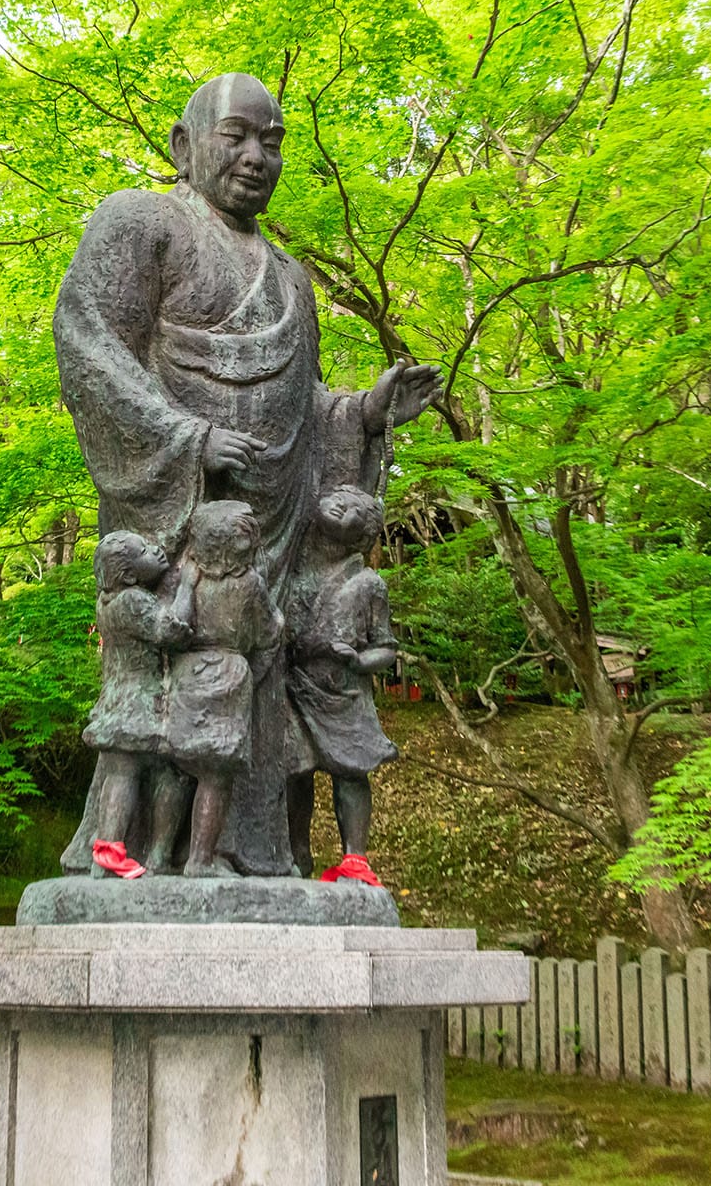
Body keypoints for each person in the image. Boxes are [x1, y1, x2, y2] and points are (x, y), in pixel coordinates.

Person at [54, 70, 440, 876]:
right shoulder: (143, 223)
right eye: (236, 135)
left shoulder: (292, 279)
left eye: (273, 141)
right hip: (180, 520)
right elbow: (90, 346)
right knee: (172, 705)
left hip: (268, 540)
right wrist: (188, 439)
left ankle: (252, 854)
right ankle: (138, 854)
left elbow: (305, 412)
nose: (257, 156)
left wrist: (363, 415)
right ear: (184, 144)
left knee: (256, 703)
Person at [285, 487, 399, 886]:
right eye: (339, 498)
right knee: (295, 770)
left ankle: (355, 855)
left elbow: (385, 647)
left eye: (352, 509)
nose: (339, 504)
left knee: (350, 772)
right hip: (297, 682)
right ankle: (296, 852)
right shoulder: (294, 569)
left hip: (346, 690)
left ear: (362, 535)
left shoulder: (369, 584)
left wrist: (359, 660)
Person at [163, 501, 283, 878]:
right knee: (215, 775)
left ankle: (157, 854)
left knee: (178, 768)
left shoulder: (187, 576)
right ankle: (199, 859)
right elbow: (269, 632)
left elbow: (174, 626)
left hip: (187, 674)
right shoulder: (249, 584)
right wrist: (253, 670)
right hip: (230, 674)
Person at [81, 531, 194, 878]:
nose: (157, 551)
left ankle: (108, 849)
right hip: (145, 700)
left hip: (116, 699)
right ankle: (158, 854)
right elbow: (172, 629)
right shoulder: (133, 601)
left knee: (120, 773)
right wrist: (188, 586)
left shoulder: (107, 601)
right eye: (145, 551)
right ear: (129, 575)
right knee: (172, 771)